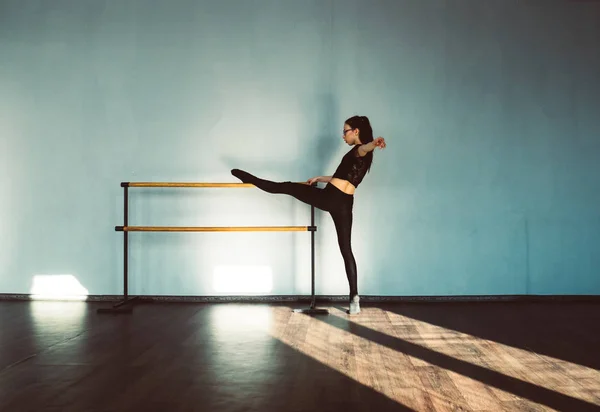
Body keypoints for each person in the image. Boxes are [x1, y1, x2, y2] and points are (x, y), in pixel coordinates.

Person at [231, 115, 386, 314]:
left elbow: (365, 148)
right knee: (346, 250)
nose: (343, 135)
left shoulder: (361, 150)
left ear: (356, 132)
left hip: (331, 197)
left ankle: (250, 179)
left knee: (286, 187)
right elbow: (341, 177)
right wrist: (320, 177)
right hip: (345, 204)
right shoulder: (360, 157)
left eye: (346, 131)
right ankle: (354, 299)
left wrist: (373, 143)